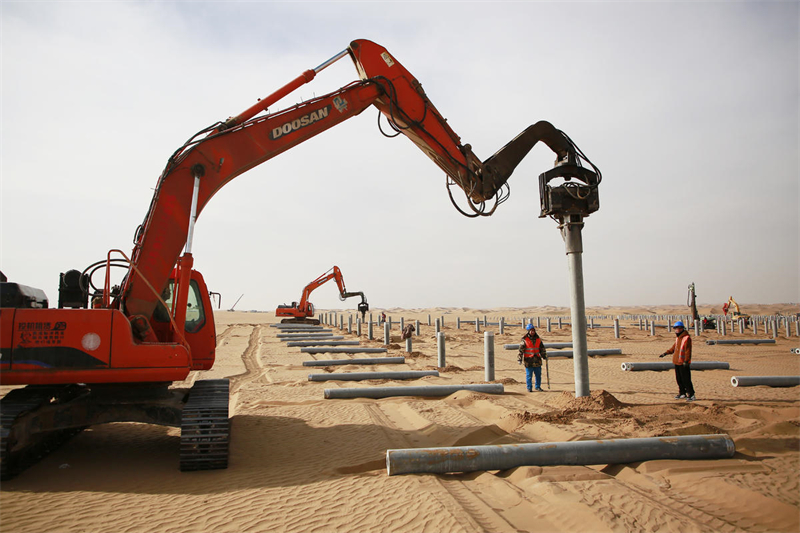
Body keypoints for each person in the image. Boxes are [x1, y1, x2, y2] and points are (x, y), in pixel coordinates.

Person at [660, 320, 695, 401]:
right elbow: (673, 348)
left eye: (678, 328)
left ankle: (691, 394)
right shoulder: (678, 338)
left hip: (683, 363)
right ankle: (682, 393)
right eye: (675, 328)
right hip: (677, 362)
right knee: (679, 379)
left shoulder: (687, 338)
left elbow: (688, 351)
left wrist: (686, 361)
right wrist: (666, 353)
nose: (677, 330)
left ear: (682, 328)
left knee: (686, 379)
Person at [517, 324, 547, 392]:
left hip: (537, 361)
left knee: (538, 375)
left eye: (533, 330)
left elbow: (542, 349)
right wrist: (519, 359)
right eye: (531, 331)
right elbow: (520, 351)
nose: (532, 332)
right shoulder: (525, 340)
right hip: (529, 361)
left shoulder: (538, 339)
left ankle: (537, 386)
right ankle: (529, 387)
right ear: (528, 331)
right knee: (529, 375)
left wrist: (544, 356)